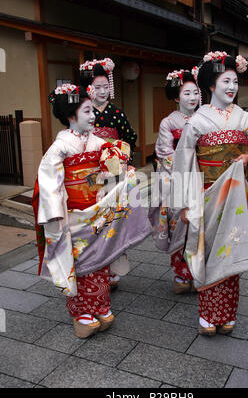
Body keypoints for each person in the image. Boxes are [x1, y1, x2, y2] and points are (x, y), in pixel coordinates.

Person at [32, 83, 152, 338]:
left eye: (91, 111)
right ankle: (81, 315)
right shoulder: (60, 147)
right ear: (71, 116)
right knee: (81, 263)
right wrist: (54, 214)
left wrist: (119, 173)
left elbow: (113, 166)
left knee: (100, 260)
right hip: (74, 214)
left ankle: (101, 306)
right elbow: (49, 181)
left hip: (98, 210)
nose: (93, 116)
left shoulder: (98, 142)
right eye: (87, 111)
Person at [172, 51, 248, 336]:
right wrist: (183, 204)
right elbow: (183, 165)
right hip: (207, 195)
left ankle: (226, 315)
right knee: (209, 252)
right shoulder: (197, 122)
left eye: (235, 82)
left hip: (238, 197)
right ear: (211, 86)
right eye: (226, 81)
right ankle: (208, 315)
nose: (232, 87)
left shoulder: (245, 119)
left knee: (233, 250)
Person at [80, 57, 138, 289]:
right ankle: (95, 265)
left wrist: (124, 160)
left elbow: (129, 139)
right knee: (94, 220)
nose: (102, 91)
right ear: (88, 89)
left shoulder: (117, 114)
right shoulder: (82, 113)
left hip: (114, 172)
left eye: (106, 87)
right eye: (97, 87)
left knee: (114, 220)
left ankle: (114, 270)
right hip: (91, 172)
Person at [149, 68, 201, 294]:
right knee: (180, 224)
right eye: (187, 93)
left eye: (196, 93)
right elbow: (165, 154)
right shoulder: (168, 122)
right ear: (176, 97)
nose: (193, 98)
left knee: (201, 228)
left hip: (204, 179)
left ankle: (199, 272)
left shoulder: (206, 118)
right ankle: (181, 274)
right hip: (178, 180)